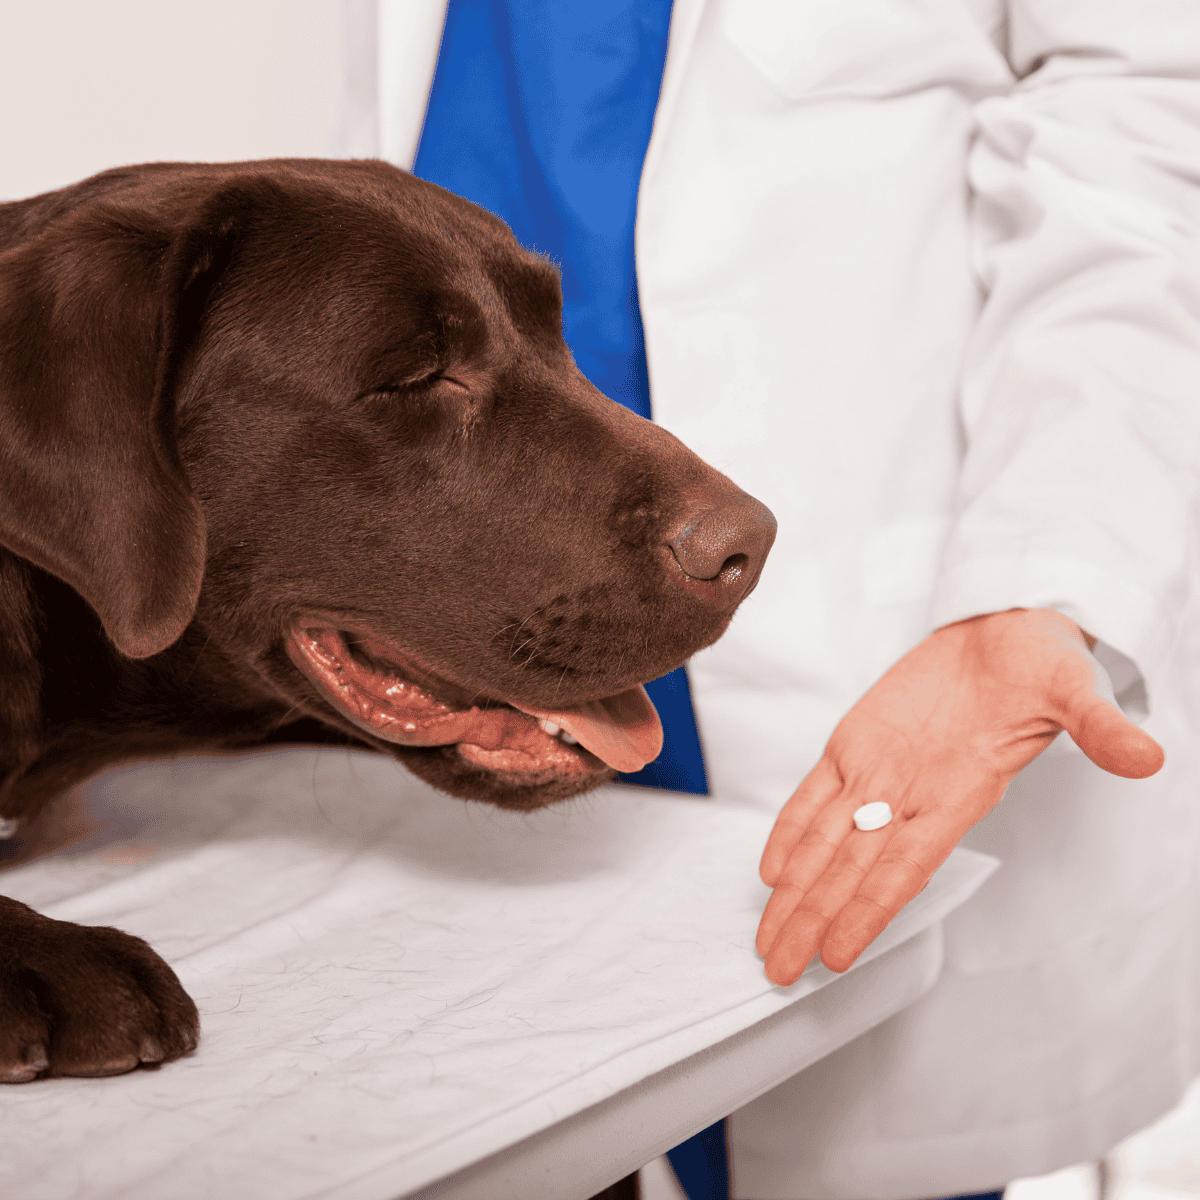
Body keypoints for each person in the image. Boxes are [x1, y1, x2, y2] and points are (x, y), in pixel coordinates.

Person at [336, 2, 1200, 1197]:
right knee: (503, 1115)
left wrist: (1049, 566)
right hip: (475, 574)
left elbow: (1147, 155)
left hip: (846, 624)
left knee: (823, 1091)